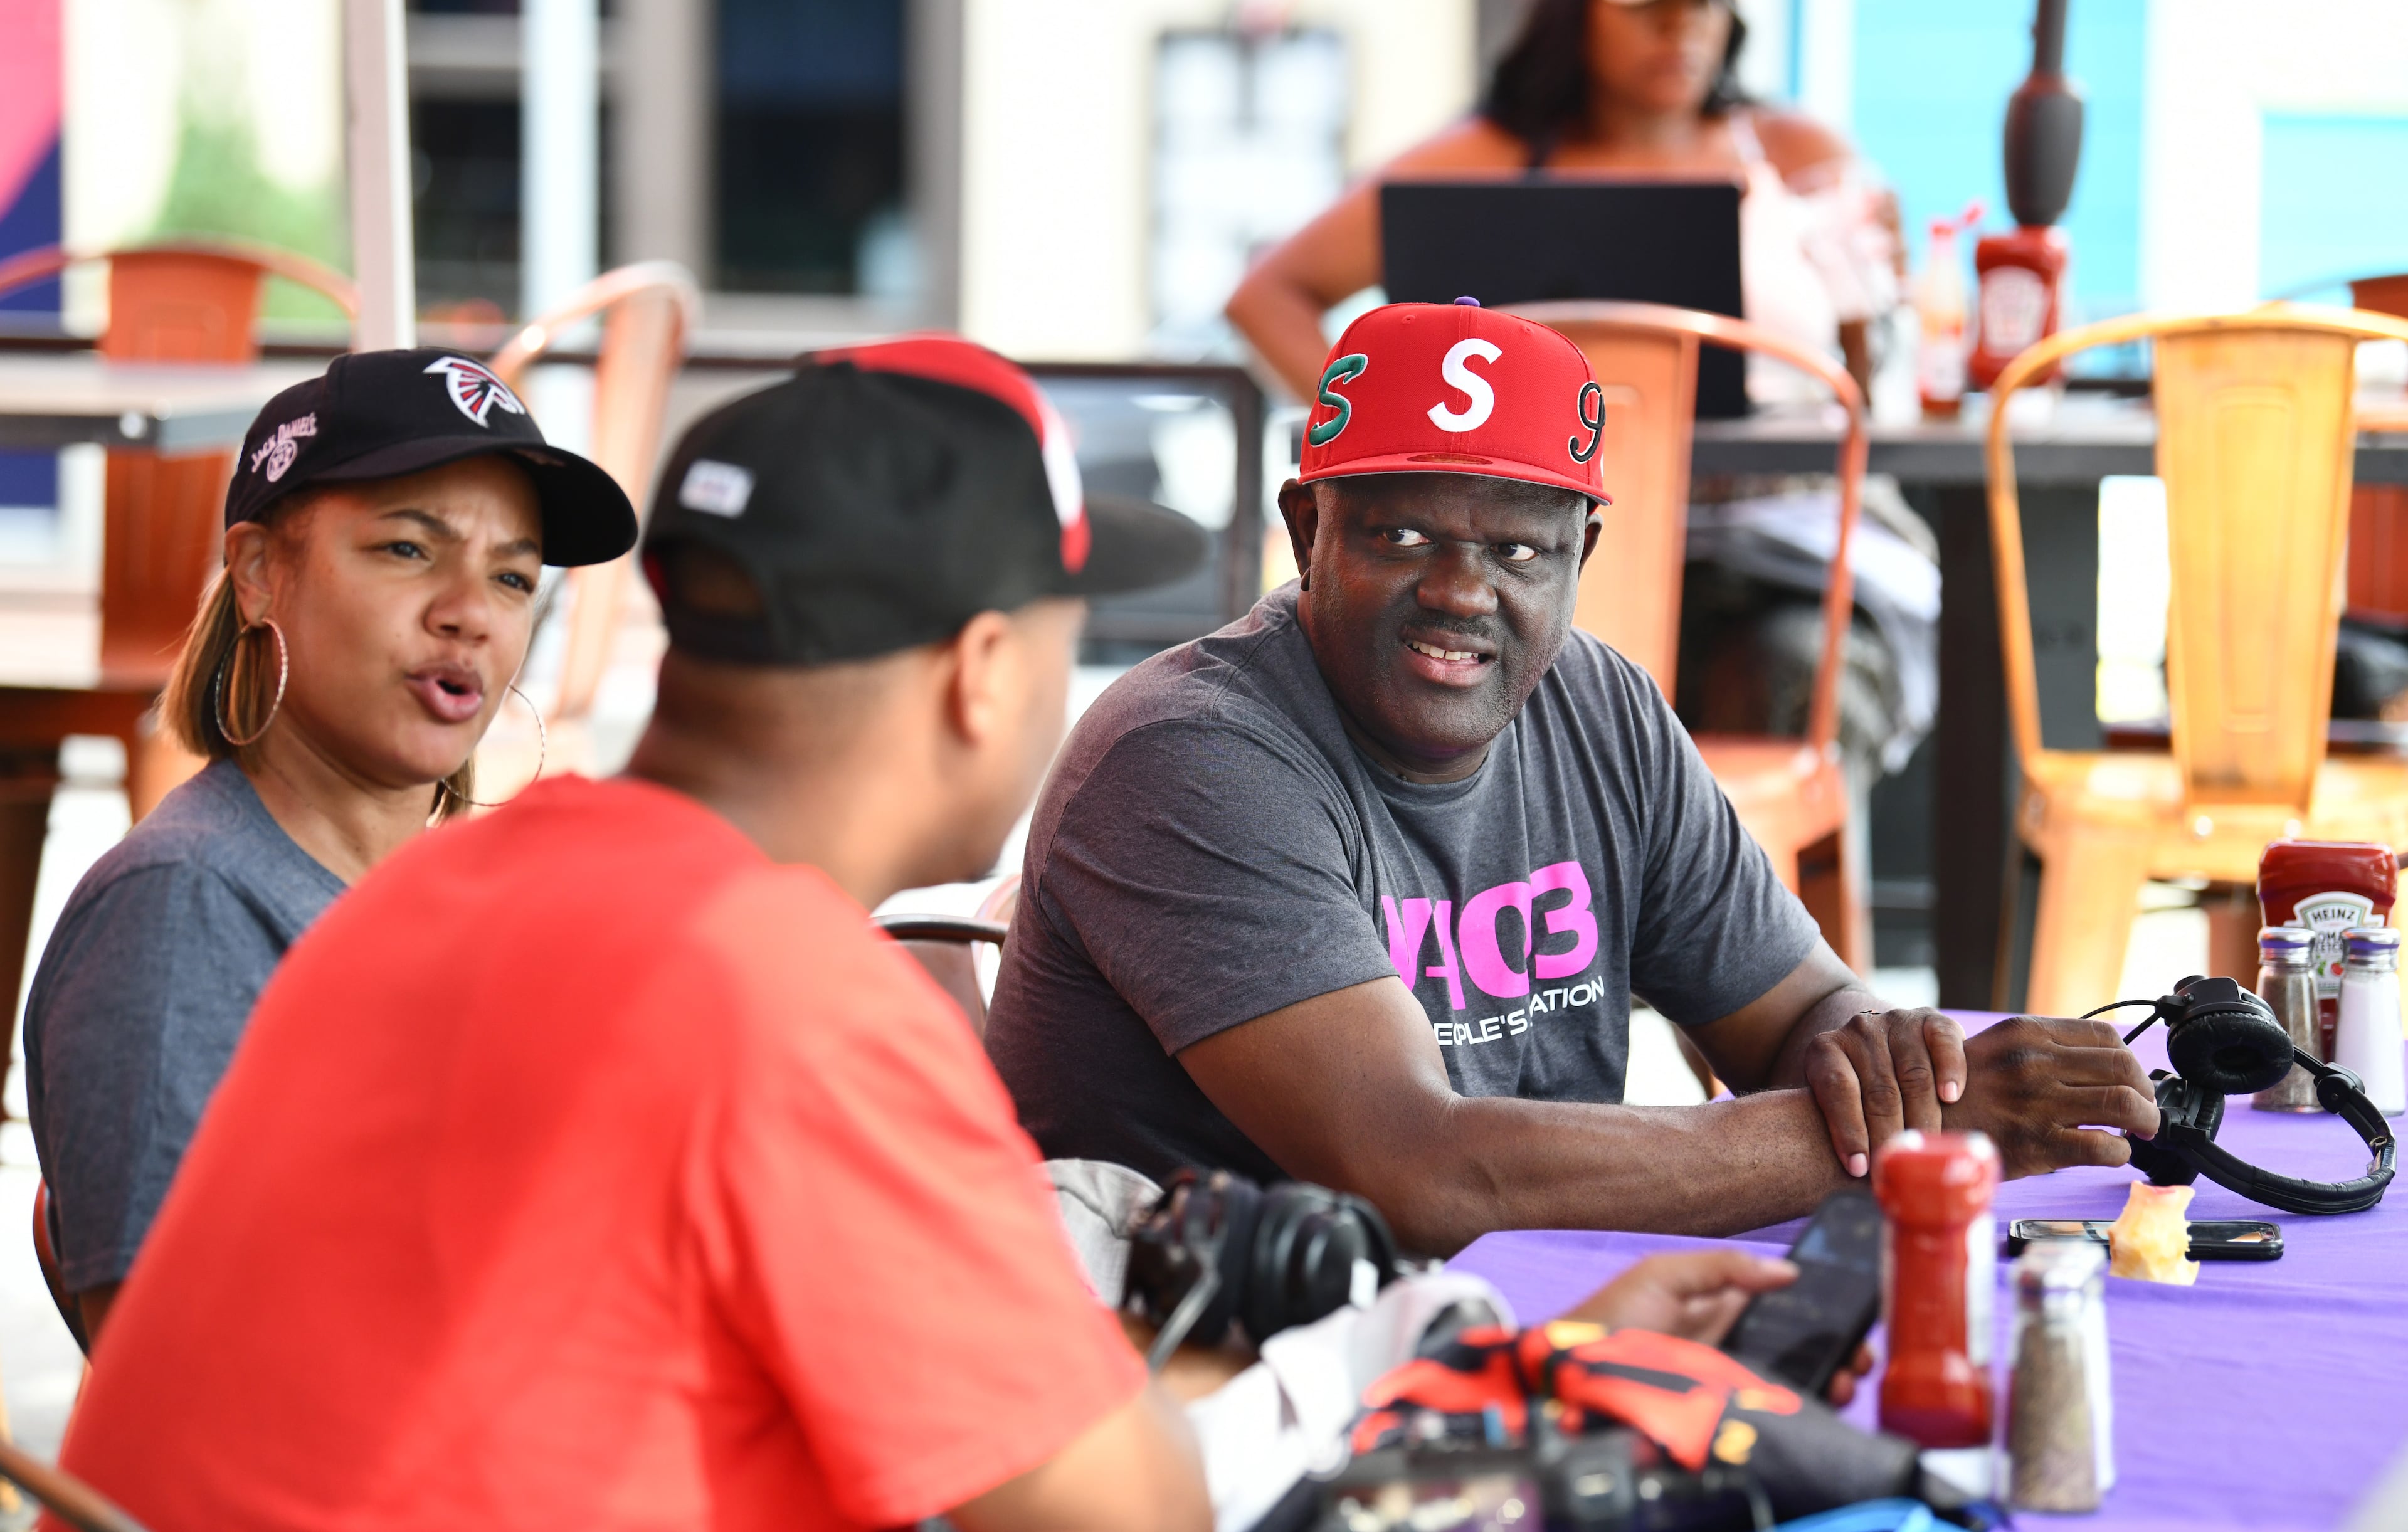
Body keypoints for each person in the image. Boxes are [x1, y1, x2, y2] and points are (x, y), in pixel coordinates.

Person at [55, 339, 1224, 1532]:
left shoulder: (425, 895)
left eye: (512, 576)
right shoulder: (782, 994)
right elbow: (1130, 1512)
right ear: (982, 671)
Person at [985, 301, 2160, 1254]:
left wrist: (1897, 1065)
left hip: (1528, 1308)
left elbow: (1799, 1011)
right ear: (1309, 528)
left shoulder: (1596, 706)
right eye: (1401, 535)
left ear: (1580, 555)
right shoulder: (1189, 754)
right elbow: (1419, 1171)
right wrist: (1935, 1125)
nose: (1461, 589)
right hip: (1217, 1361)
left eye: (1518, 549)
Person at [23, 347, 636, 1345]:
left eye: (514, 576)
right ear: (261, 573)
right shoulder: (184, 907)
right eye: (406, 549)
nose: (469, 612)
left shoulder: (472, 902)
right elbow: (178, 1378)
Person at [1223, 0, 1901, 404]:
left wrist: (1872, 300)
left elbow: (1876, 373)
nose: (1682, 24)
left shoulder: (1799, 153)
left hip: (1788, 528)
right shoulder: (1481, 159)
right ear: (1570, 7)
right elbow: (1266, 297)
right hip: (1538, 547)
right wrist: (1379, 426)